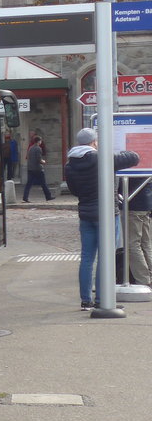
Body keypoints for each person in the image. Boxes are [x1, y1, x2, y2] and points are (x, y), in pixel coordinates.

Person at [64, 127, 139, 309]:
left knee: (87, 257)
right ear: (94, 142)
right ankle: (102, 300)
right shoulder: (102, 158)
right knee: (106, 257)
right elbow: (134, 157)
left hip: (86, 213)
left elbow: (74, 190)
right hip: (106, 214)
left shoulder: (69, 165)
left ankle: (85, 300)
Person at [124, 176, 152, 286]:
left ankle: (143, 280)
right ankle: (149, 276)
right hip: (145, 202)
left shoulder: (128, 160)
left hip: (133, 202)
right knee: (145, 243)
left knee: (133, 244)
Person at [23, 134, 53, 202]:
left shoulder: (30, 148)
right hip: (38, 169)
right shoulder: (38, 148)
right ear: (39, 141)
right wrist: (44, 161)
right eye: (40, 141)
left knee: (29, 184)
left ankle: (25, 197)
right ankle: (48, 196)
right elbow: (39, 159)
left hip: (30, 168)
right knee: (43, 183)